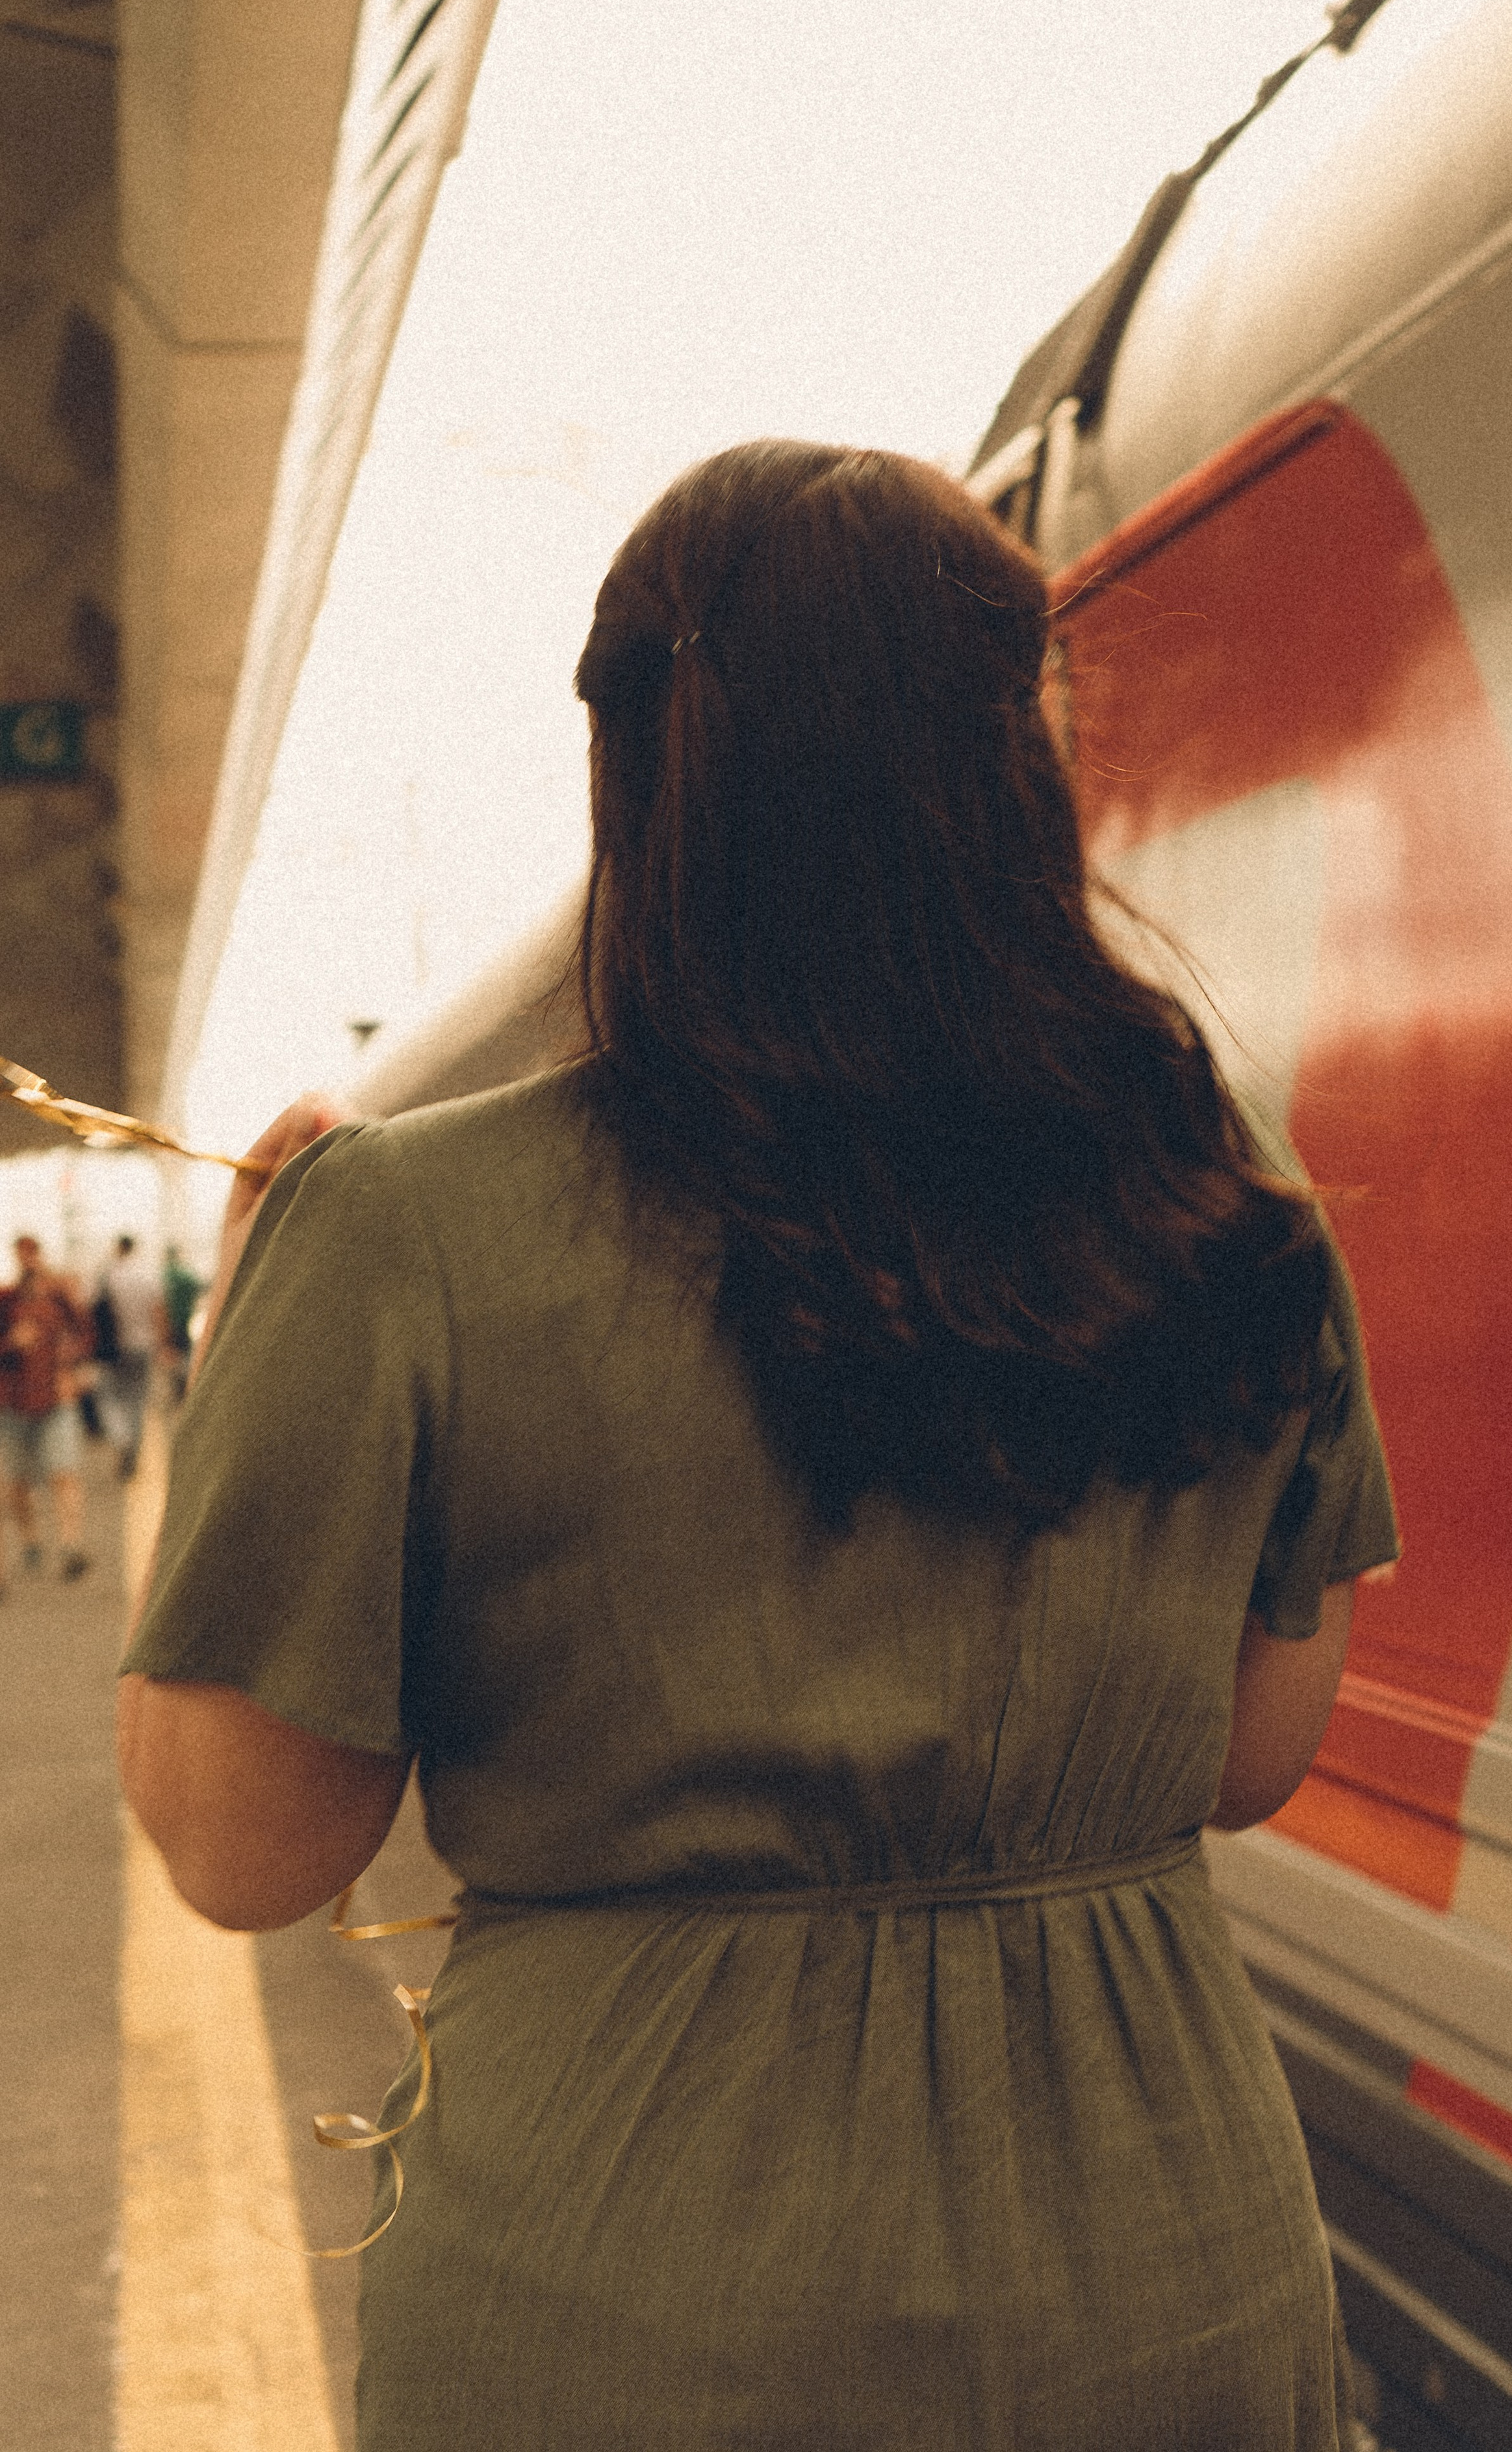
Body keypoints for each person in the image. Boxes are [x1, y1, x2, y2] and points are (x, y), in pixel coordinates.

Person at [118, 443, 1399, 2451]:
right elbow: (1247, 1757)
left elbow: (241, 1843)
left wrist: (243, 1348)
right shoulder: (1220, 1202)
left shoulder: (397, 1231)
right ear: (1016, 763)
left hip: (627, 2314)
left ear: (643, 776)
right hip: (1169, 2284)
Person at [1, 1233, 92, 1587]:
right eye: (22, 1253)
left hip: (56, 1401)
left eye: (33, 1252)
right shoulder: (6, 1301)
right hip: (13, 1404)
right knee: (18, 1484)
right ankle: (30, 1541)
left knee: (64, 1473)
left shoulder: (59, 1298)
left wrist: (70, 1367)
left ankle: (72, 1546)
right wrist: (12, 1343)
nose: (28, 1259)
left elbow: (86, 1335)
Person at [96, 1233, 166, 1480]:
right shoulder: (148, 1275)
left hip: (113, 1349)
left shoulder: (108, 1276)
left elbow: (95, 1313)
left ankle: (120, 1435)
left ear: (118, 1248)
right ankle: (131, 1460)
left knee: (107, 1396)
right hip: (143, 1347)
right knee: (137, 1402)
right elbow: (159, 1311)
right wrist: (162, 1345)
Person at [160, 1243, 205, 1402]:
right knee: (186, 1356)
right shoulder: (186, 1274)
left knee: (170, 1359)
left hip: (166, 1325)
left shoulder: (161, 1275)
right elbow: (201, 1288)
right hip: (184, 1321)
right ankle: (187, 1390)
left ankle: (176, 1391)